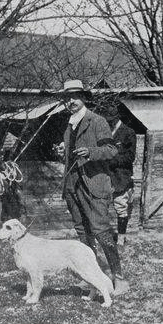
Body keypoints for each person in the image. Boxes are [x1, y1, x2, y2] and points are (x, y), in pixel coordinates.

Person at [55, 79, 129, 295]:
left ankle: (120, 279)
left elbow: (111, 150)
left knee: (100, 231)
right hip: (73, 187)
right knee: (83, 233)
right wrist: (63, 154)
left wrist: (90, 152)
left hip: (94, 186)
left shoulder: (96, 121)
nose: (71, 101)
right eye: (68, 98)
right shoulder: (69, 125)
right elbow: (71, 159)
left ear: (84, 98)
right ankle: (93, 277)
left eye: (76, 96)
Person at [104, 105, 137, 246]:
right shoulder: (105, 133)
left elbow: (130, 157)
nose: (109, 122)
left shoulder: (128, 133)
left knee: (121, 206)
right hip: (105, 176)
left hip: (121, 176)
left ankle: (121, 238)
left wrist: (111, 160)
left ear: (117, 118)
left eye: (111, 120)